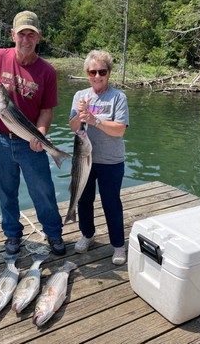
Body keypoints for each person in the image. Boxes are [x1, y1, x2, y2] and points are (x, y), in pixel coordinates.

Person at [0, 11, 66, 256]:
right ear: (13, 35)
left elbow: (46, 111)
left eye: (31, 34)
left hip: (29, 142)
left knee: (42, 191)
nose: (26, 39)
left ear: (38, 37)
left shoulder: (47, 71)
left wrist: (41, 134)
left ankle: (54, 234)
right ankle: (12, 236)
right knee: (6, 192)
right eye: (21, 33)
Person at [69, 50, 129, 265]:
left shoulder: (118, 97)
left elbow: (120, 130)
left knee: (111, 202)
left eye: (101, 71)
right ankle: (87, 234)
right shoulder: (80, 96)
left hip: (111, 161)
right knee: (84, 200)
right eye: (92, 71)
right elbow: (73, 127)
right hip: (85, 159)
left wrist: (94, 120)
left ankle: (118, 245)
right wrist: (79, 114)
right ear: (87, 73)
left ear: (109, 73)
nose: (97, 76)